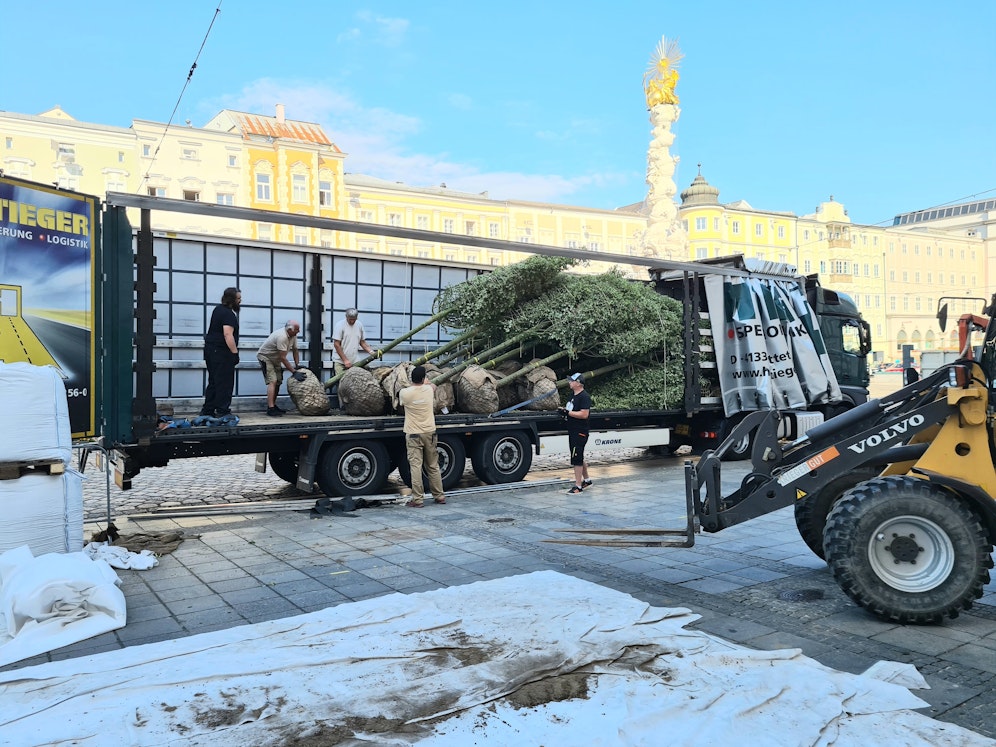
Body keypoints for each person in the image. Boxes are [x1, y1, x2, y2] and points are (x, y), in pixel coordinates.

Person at [398, 365, 445, 507]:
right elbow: (434, 386)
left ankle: (418, 499)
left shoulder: (405, 393)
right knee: (433, 466)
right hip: (430, 432)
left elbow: (400, 402)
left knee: (416, 466)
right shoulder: (429, 390)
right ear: (424, 378)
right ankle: (439, 496)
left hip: (413, 434)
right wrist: (427, 382)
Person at [200, 287, 241, 417]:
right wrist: (234, 353)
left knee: (213, 381)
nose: (240, 301)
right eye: (238, 298)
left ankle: (208, 409)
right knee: (225, 382)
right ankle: (223, 410)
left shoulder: (217, 310)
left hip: (211, 350)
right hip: (222, 352)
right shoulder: (228, 314)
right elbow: (228, 335)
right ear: (231, 300)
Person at [256, 320, 301, 416]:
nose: (299, 331)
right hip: (266, 357)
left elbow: (295, 350)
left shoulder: (293, 335)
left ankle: (273, 405)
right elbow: (283, 358)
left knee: (278, 382)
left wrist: (297, 365)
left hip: (275, 359)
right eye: (297, 329)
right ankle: (270, 408)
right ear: (289, 329)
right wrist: (294, 372)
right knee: (273, 381)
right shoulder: (282, 337)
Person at [560, 372, 592, 495]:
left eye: (571, 381)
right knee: (578, 456)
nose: (569, 382)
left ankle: (578, 486)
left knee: (576, 458)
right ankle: (587, 480)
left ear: (578, 383)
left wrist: (568, 413)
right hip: (573, 430)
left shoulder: (584, 397)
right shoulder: (572, 396)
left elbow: (584, 414)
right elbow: (570, 410)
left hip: (580, 432)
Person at [331, 308, 378, 375]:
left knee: (367, 374)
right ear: (346, 316)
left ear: (357, 317)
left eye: (354, 319)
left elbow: (362, 342)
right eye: (350, 319)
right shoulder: (339, 325)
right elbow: (336, 344)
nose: (352, 321)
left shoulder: (359, 325)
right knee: (341, 381)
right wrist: (345, 360)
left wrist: (372, 352)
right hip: (340, 361)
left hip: (354, 360)